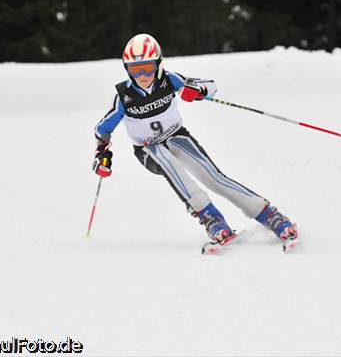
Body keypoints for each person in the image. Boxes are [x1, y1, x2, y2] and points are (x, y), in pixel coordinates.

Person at [92, 33, 299, 251]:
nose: (143, 75)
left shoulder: (169, 79)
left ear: (158, 63)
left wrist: (197, 90)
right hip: (146, 148)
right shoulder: (124, 96)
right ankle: (211, 219)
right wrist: (102, 155)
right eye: (135, 69)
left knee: (212, 176)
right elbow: (102, 129)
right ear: (127, 69)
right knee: (167, 162)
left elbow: (209, 86)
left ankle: (269, 214)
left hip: (176, 136)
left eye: (148, 67)